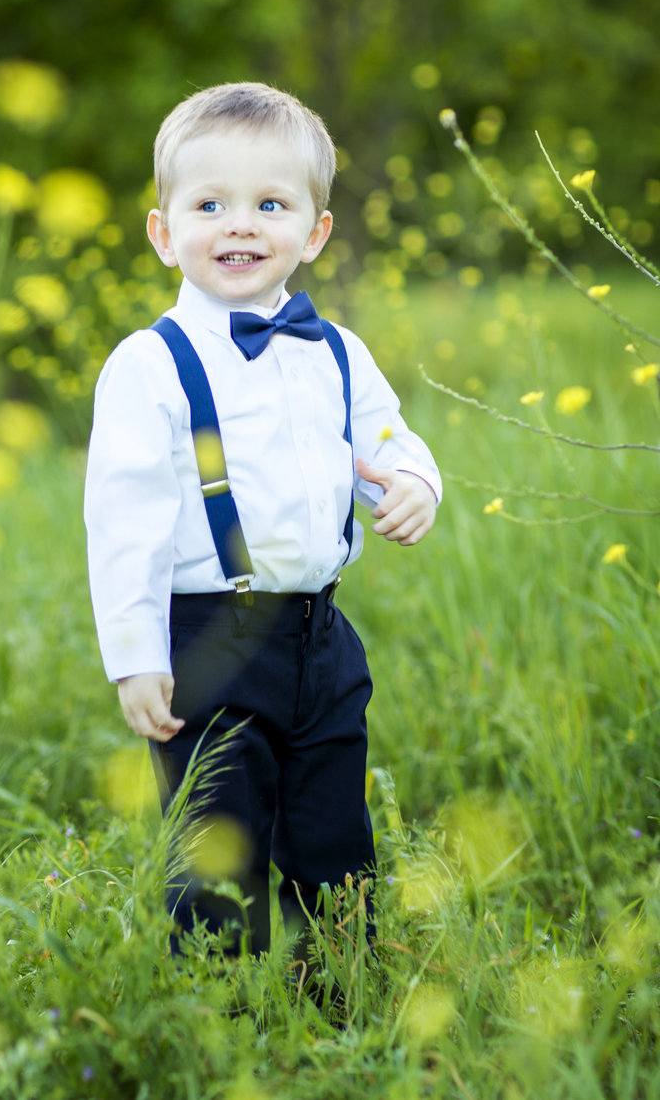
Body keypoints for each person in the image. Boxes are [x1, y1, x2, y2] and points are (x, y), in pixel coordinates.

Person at [83, 82, 440, 964]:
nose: (240, 225)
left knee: (333, 835)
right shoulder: (147, 364)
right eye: (211, 205)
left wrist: (414, 484)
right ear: (164, 232)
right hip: (209, 637)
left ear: (313, 231)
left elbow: (389, 440)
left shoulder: (337, 351)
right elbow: (121, 517)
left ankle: (341, 1000)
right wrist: (135, 655)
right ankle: (218, 1013)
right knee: (218, 839)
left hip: (321, 635)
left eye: (270, 205)